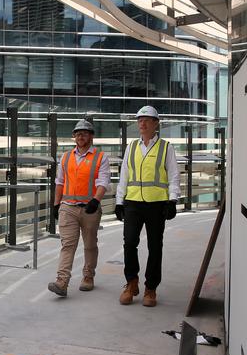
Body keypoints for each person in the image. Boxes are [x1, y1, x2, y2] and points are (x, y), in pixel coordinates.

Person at [115, 106, 180, 307]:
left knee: (155, 247)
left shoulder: (166, 147)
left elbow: (174, 176)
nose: (142, 124)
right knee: (129, 243)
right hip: (133, 203)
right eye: (139, 120)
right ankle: (131, 282)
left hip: (156, 205)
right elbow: (124, 175)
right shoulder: (132, 147)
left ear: (156, 123)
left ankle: (151, 288)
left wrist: (173, 200)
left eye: (146, 120)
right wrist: (119, 201)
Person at [48, 119, 110, 297]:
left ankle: (88, 276)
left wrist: (96, 201)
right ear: (74, 137)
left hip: (90, 208)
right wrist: (56, 204)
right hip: (68, 207)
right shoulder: (66, 157)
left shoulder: (100, 157)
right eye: (77, 133)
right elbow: (59, 182)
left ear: (91, 136)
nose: (80, 136)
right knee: (67, 245)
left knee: (90, 245)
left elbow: (103, 182)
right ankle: (62, 282)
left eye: (84, 133)